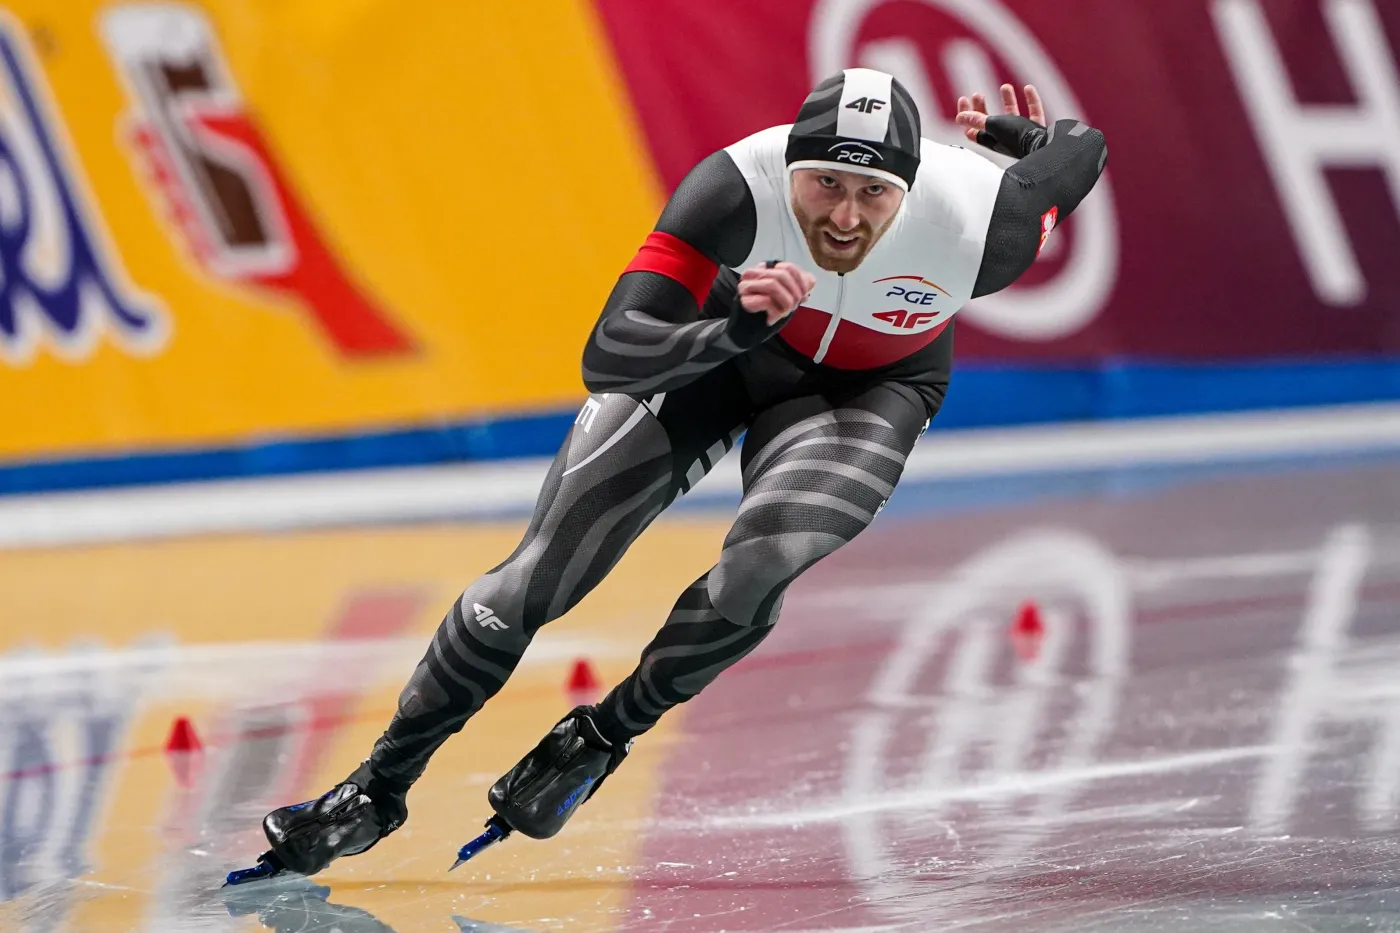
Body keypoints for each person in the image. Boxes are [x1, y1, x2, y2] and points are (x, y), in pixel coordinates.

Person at [235, 69, 1108, 881]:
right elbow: (608, 352)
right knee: (543, 571)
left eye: (873, 193)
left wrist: (1012, 144)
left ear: (911, 192)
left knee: (769, 555)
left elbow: (1083, 145)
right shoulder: (733, 186)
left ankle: (601, 738)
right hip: (726, 348)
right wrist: (729, 334)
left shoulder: (986, 224)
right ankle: (373, 788)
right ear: (788, 166)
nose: (844, 218)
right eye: (824, 185)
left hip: (874, 386)